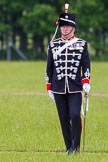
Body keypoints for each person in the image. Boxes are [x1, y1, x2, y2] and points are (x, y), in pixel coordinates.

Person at [45, 3, 90, 155]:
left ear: (73, 28)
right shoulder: (53, 45)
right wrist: (48, 86)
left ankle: (76, 148)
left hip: (75, 87)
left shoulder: (82, 44)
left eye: (67, 26)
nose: (64, 28)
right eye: (62, 26)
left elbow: (86, 65)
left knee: (75, 115)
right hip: (58, 87)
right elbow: (49, 67)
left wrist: (86, 82)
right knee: (63, 119)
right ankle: (69, 148)